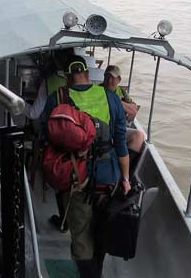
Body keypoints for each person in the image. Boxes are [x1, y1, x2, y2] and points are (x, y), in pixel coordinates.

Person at [42, 55, 130, 278]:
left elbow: (47, 136)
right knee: (102, 230)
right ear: (88, 75)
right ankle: (98, 272)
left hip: (76, 179)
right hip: (108, 178)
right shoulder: (110, 97)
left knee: (81, 238)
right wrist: (126, 179)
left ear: (67, 78)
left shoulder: (58, 98)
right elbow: (121, 143)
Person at [101, 65, 145, 153]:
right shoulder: (97, 90)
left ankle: (126, 163)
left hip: (119, 127)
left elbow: (134, 107)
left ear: (119, 80)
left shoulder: (121, 91)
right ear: (104, 77)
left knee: (139, 135)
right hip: (103, 129)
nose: (110, 81)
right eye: (108, 77)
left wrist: (132, 109)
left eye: (113, 78)